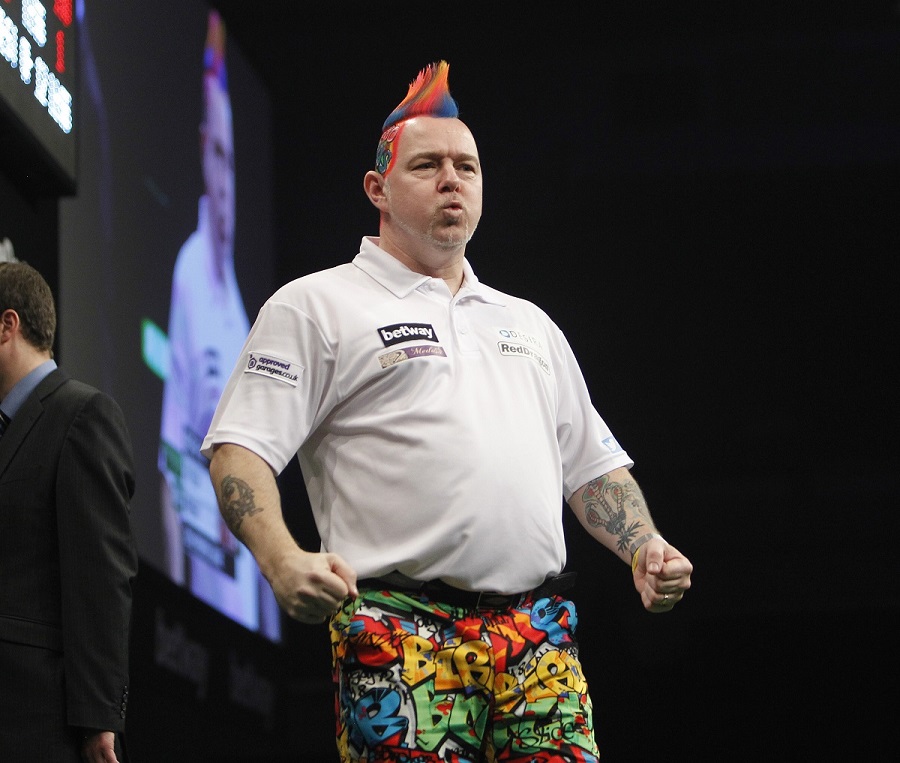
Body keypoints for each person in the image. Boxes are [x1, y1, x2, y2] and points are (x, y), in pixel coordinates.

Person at [202, 61, 693, 761]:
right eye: (427, 165)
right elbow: (239, 447)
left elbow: (591, 468)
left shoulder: (529, 324)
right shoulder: (316, 305)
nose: (451, 180)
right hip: (399, 629)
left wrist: (643, 544)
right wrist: (280, 559)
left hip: (537, 638)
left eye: (467, 166)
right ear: (377, 188)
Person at [158, 10, 280, 640]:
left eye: (235, 164)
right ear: (204, 151)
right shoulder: (189, 273)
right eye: (219, 157)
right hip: (200, 590)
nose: (227, 183)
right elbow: (171, 460)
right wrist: (177, 597)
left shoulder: (240, 303)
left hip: (243, 598)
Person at [0, 259, 137, 762]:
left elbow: (101, 576)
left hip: (37, 721)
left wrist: (99, 719)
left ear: (7, 326)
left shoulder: (81, 414)